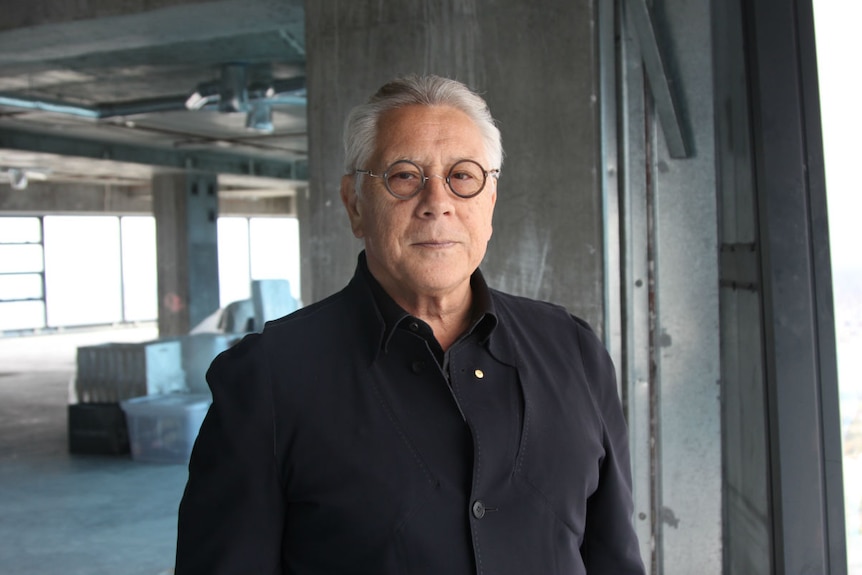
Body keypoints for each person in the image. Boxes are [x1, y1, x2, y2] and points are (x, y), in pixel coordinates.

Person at [175, 74, 645, 575]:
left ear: (489, 203)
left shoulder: (572, 350)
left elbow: (615, 557)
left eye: (463, 177)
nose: (436, 202)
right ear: (355, 204)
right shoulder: (268, 376)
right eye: (404, 176)